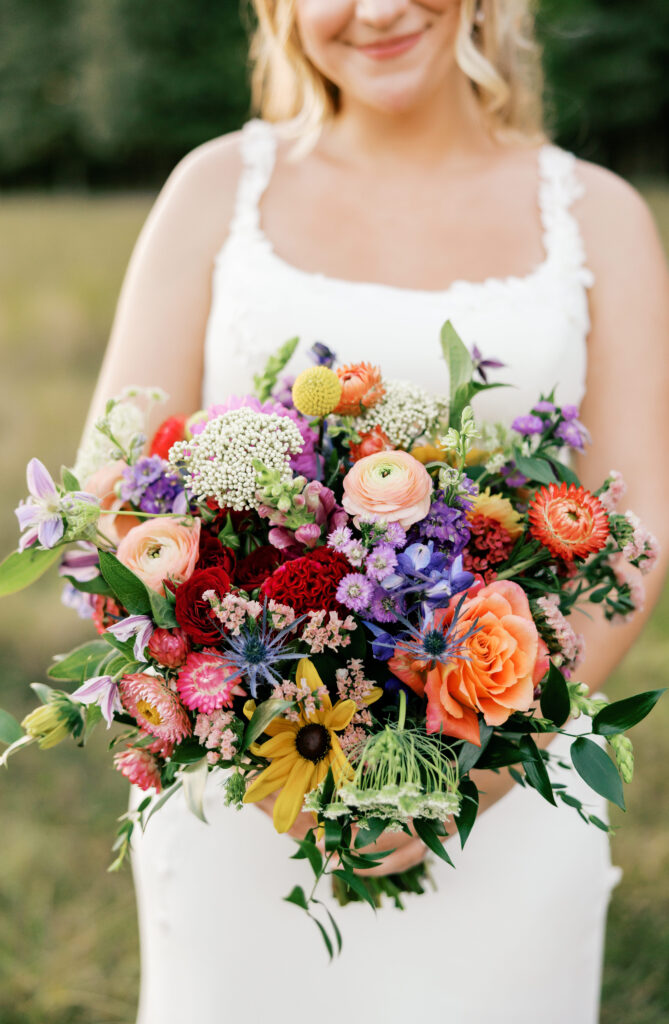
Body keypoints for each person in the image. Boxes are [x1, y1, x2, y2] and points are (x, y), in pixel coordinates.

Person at [81, 1, 669, 1020]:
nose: (380, 10)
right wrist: (228, 696)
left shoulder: (601, 212)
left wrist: (483, 756)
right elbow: (109, 481)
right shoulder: (215, 188)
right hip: (247, 799)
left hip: (508, 789)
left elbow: (642, 510)